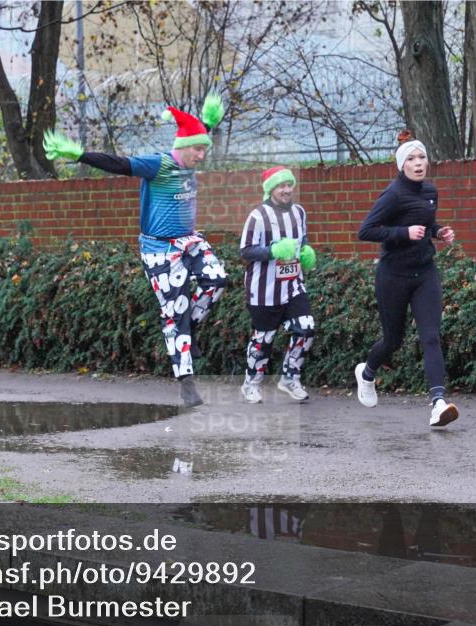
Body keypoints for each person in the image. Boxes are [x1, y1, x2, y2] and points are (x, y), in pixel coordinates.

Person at [43, 96, 227, 408]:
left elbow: (196, 131)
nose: (201, 155)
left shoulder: (191, 150)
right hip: (159, 249)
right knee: (175, 312)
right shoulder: (158, 164)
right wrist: (80, 155)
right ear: (182, 147)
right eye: (198, 149)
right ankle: (187, 383)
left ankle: (190, 330)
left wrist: (208, 123)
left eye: (204, 148)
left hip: (189, 240)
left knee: (217, 280)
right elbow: (119, 164)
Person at [355, 130, 459, 427]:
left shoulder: (430, 192)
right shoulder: (392, 195)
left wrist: (438, 232)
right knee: (393, 340)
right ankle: (367, 373)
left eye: (422, 157)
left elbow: (426, 224)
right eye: (411, 158)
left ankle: (438, 403)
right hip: (393, 276)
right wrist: (403, 233)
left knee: (430, 336)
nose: (418, 163)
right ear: (402, 164)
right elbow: (367, 231)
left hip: (425, 272)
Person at [238, 167, 316, 403]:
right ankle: (251, 384)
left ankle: (290, 378)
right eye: (281, 186)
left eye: (289, 185)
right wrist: (272, 251)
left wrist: (306, 254)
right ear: (271, 189)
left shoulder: (299, 212)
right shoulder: (258, 216)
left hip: (293, 285)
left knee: (306, 327)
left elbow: (303, 242)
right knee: (264, 338)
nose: (286, 190)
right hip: (264, 290)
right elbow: (245, 251)